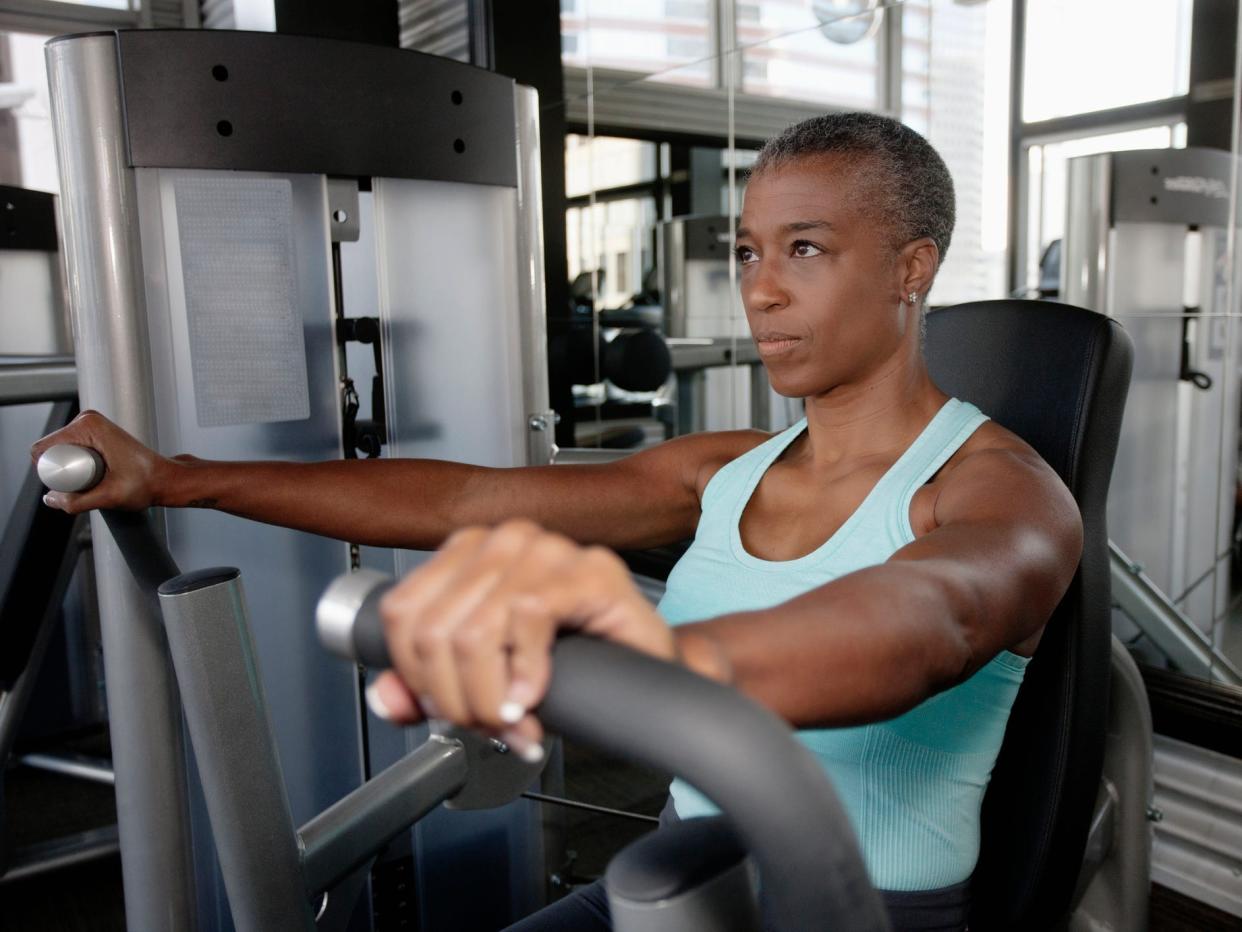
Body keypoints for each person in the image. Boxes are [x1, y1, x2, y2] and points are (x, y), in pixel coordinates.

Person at [34, 112, 1081, 931]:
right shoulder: (723, 467)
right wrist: (175, 476)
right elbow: (464, 500)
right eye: (750, 250)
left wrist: (650, 656)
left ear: (912, 266)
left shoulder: (1001, 488)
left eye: (805, 249)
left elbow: (930, 622)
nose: (761, 290)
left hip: (854, 911)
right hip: (684, 872)